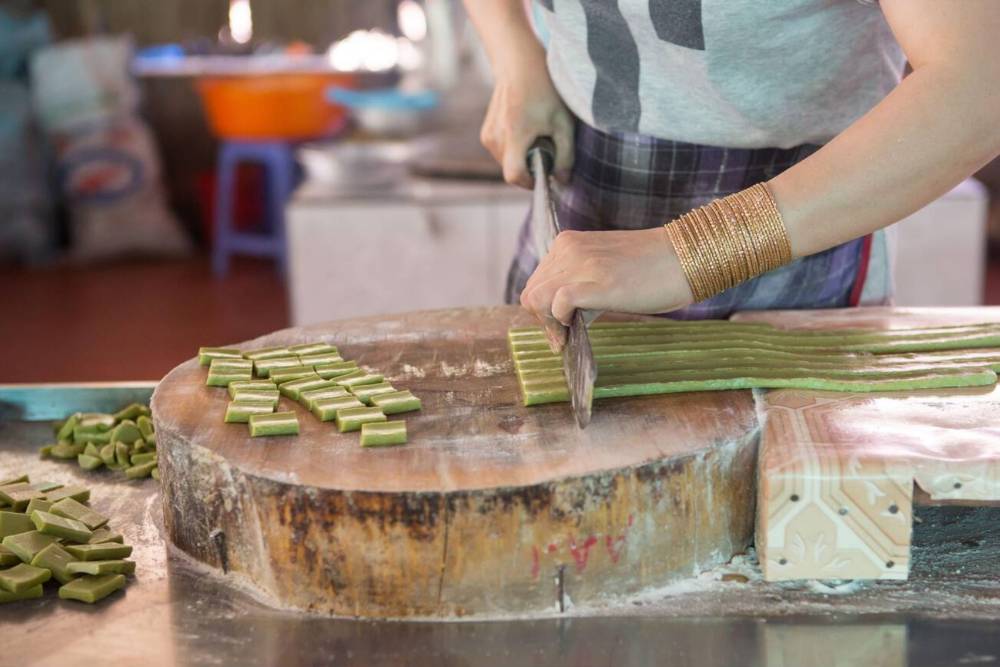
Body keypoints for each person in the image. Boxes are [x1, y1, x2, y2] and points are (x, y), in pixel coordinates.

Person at [463, 0, 1000, 350]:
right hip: (582, 195)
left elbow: (980, 87)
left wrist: (696, 249)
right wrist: (516, 53)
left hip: (803, 226)